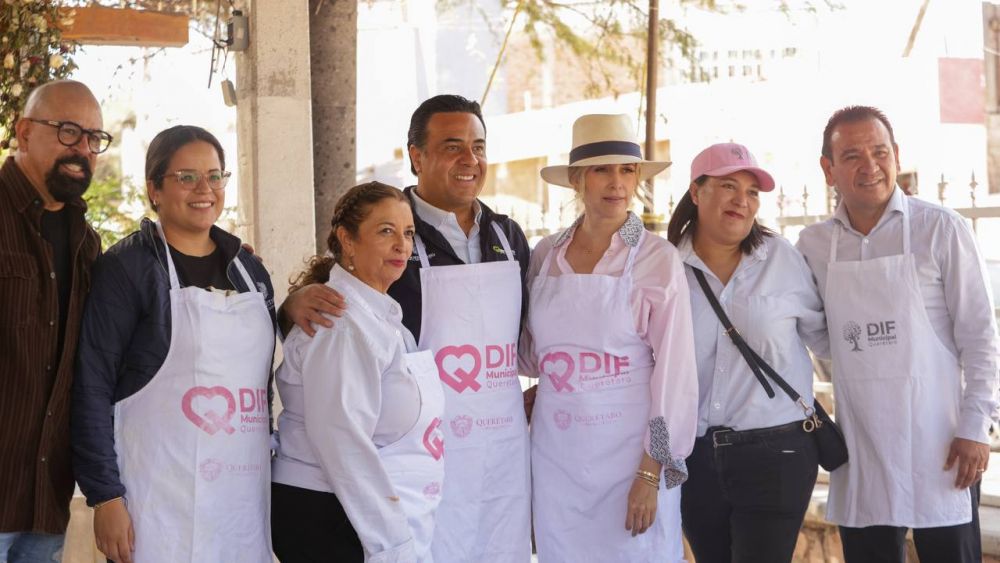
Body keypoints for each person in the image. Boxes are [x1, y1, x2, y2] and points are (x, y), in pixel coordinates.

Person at [282, 94, 533, 562]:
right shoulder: (392, 227)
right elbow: (332, 323)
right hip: (410, 461)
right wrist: (290, 306)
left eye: (478, 146)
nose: (469, 159)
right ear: (416, 156)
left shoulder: (508, 236)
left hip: (500, 453)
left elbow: (529, 340)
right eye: (453, 146)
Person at [796, 105, 1000, 563]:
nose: (870, 165)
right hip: (862, 447)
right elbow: (818, 334)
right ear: (828, 169)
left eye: (879, 151)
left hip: (944, 445)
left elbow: (980, 336)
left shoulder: (940, 228)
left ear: (897, 155)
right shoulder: (811, 246)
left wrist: (975, 428)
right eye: (851, 156)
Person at [71, 125, 277, 563]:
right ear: (154, 189)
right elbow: (91, 384)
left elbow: (261, 391)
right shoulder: (127, 269)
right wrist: (105, 496)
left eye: (215, 176)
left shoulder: (251, 271)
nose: (204, 189)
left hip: (240, 499)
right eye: (186, 177)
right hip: (156, 501)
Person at [521, 113, 698, 562]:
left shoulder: (657, 258)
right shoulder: (545, 255)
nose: (616, 182)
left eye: (627, 170)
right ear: (578, 179)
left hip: (630, 463)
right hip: (557, 457)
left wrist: (651, 473)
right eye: (602, 169)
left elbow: (676, 376)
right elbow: (528, 355)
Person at [666, 142, 828, 562]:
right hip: (695, 458)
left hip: (778, 453)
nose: (743, 200)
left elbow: (826, 339)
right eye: (728, 185)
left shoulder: (782, 259)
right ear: (696, 192)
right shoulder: (663, 266)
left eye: (752, 191)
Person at [271, 181, 445, 563]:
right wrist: (391, 544)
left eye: (408, 233)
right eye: (386, 232)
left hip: (352, 512)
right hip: (327, 515)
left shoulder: (381, 316)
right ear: (347, 240)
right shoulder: (342, 323)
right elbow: (341, 439)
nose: (402, 245)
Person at [0, 80, 105, 562]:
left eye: (93, 138)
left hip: (46, 499)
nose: (82, 149)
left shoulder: (89, 245)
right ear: (24, 133)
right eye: (67, 131)